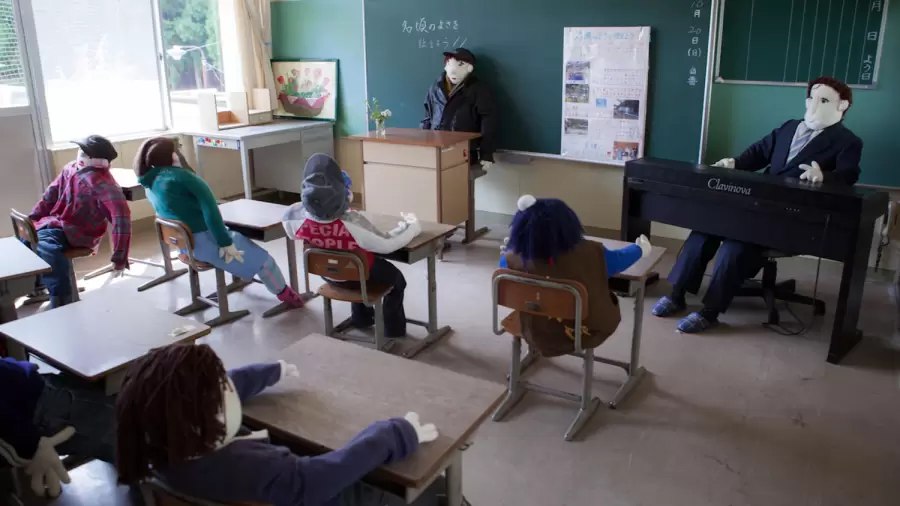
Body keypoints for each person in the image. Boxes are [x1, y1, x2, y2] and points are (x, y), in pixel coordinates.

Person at [652, 76, 863, 333]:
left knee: (735, 246)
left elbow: (849, 175)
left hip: (789, 217)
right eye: (811, 97)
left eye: (824, 100)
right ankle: (677, 294)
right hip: (754, 205)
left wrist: (825, 178)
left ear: (842, 106)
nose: (814, 104)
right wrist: (735, 163)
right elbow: (759, 153)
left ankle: (710, 311)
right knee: (704, 230)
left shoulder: (847, 141)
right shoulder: (789, 127)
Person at [115, 343, 438, 506]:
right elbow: (316, 481)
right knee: (417, 483)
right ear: (210, 412)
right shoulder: (253, 466)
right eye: (223, 387)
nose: (228, 385)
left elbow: (195, 398)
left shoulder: (154, 445)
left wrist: (266, 373)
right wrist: (393, 434)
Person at [134, 137, 305, 308]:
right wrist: (225, 243)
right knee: (266, 263)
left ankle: (241, 274)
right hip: (206, 242)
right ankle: (286, 295)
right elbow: (212, 214)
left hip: (185, 245)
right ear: (172, 155)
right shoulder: (185, 178)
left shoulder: (149, 181)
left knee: (239, 237)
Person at [282, 153, 422, 338]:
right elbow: (387, 244)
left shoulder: (292, 216)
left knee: (352, 264)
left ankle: (361, 318)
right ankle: (394, 330)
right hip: (357, 274)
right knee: (395, 279)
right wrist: (411, 226)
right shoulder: (352, 222)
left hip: (326, 272)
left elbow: (291, 233)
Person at [499, 195, 652, 357]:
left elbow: (508, 274)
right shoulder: (593, 253)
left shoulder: (511, 259)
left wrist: (512, 249)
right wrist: (639, 250)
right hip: (588, 330)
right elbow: (620, 259)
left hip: (533, 327)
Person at [24, 135, 131, 308]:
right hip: (56, 223)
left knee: (47, 247)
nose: (79, 154)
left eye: (84, 152)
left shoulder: (106, 186)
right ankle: (37, 285)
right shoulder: (70, 169)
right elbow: (50, 196)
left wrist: (119, 257)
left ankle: (63, 300)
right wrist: (32, 219)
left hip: (79, 232)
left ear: (96, 160)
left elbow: (122, 220)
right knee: (25, 239)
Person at [0, 357, 116, 498]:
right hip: (40, 409)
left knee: (103, 379)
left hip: (32, 391)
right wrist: (35, 444)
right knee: (129, 418)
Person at [420, 47, 496, 171]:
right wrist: (423, 144)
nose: (454, 71)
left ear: (469, 68)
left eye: (460, 65)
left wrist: (486, 153)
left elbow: (488, 121)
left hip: (464, 149)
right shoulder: (436, 87)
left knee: (458, 183)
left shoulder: (478, 89)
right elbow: (428, 116)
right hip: (436, 148)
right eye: (450, 64)